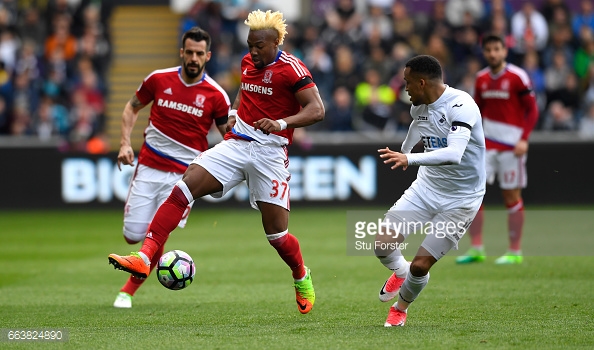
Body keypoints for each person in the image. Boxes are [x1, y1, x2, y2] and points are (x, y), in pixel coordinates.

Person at [108, 9, 325, 314]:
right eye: (249, 44)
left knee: (277, 235)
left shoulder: (292, 68)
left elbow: (317, 110)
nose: (252, 51)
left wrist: (280, 123)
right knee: (185, 187)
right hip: (238, 143)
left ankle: (301, 274)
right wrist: (236, 114)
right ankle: (143, 259)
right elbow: (244, 93)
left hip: (271, 153)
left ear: (275, 42)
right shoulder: (249, 62)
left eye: (258, 46)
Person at [112, 27, 231, 308]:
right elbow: (131, 107)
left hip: (184, 176)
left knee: (158, 231)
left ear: (208, 56)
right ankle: (141, 260)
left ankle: (127, 291)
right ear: (181, 52)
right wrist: (124, 143)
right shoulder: (158, 79)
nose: (193, 57)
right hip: (149, 167)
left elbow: (230, 138)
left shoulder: (216, 95)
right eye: (189, 52)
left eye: (199, 54)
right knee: (132, 235)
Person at [374, 55, 485, 327]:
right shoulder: (419, 106)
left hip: (461, 199)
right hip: (426, 188)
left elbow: (455, 153)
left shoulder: (462, 106)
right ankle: (400, 272)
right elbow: (418, 126)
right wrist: (406, 149)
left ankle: (400, 308)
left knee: (420, 266)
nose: (405, 89)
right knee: (382, 245)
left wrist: (409, 160)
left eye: (408, 83)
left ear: (422, 83)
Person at [456, 34, 538, 265]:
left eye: (497, 49)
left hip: (512, 148)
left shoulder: (517, 77)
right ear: (484, 52)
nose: (493, 53)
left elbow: (532, 110)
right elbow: (476, 112)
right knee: (473, 195)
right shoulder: (481, 79)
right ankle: (477, 248)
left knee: (510, 197)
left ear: (504, 51)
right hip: (485, 148)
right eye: (488, 50)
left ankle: (514, 250)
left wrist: (524, 139)